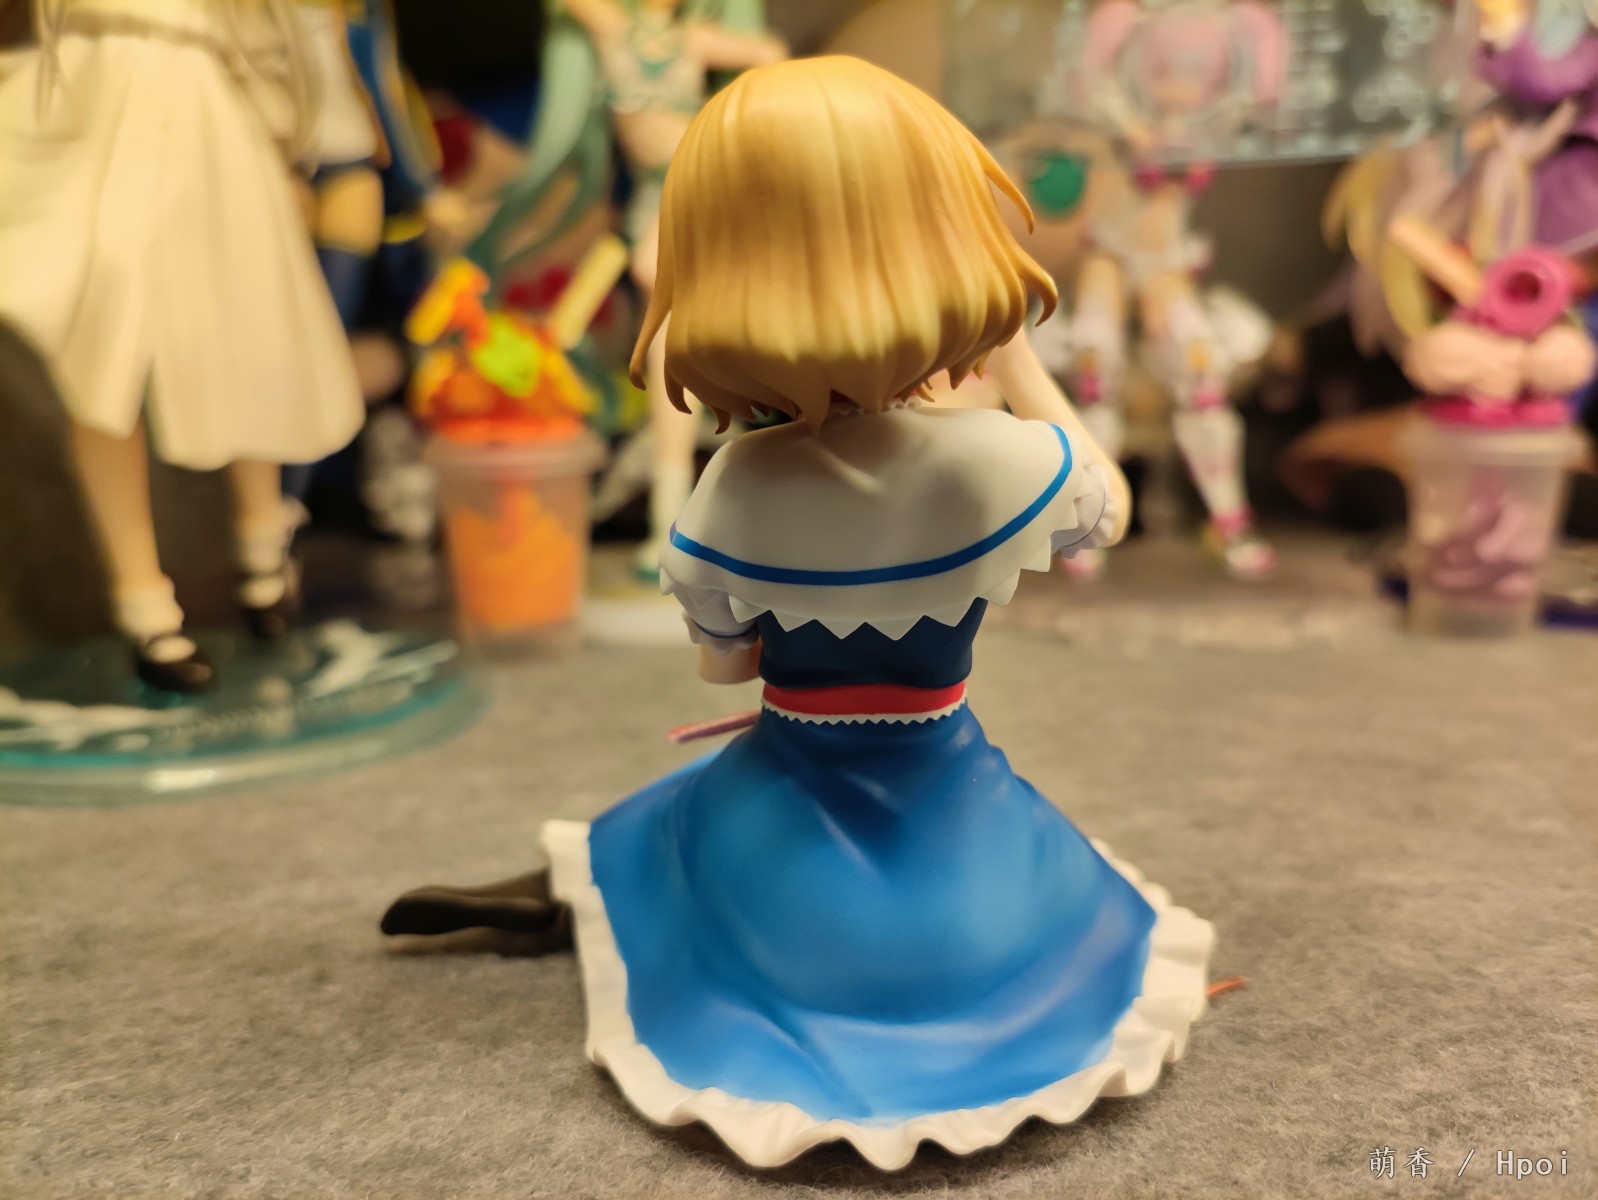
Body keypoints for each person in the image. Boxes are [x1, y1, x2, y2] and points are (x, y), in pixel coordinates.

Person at [383, 56, 1212, 1168]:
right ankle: (574, 895)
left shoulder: (731, 484)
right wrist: (1016, 366)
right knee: (1055, 899)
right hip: (957, 832)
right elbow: (1104, 509)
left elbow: (725, 669)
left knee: (668, 828)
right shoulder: (1002, 462)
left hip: (787, 824)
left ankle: (566, 894)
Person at [0, 0, 362, 690]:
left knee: (248, 328)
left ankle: (264, 546)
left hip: (209, 115)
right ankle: (144, 605)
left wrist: (285, 136)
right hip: (88, 107)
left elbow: (267, 26)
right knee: (101, 359)